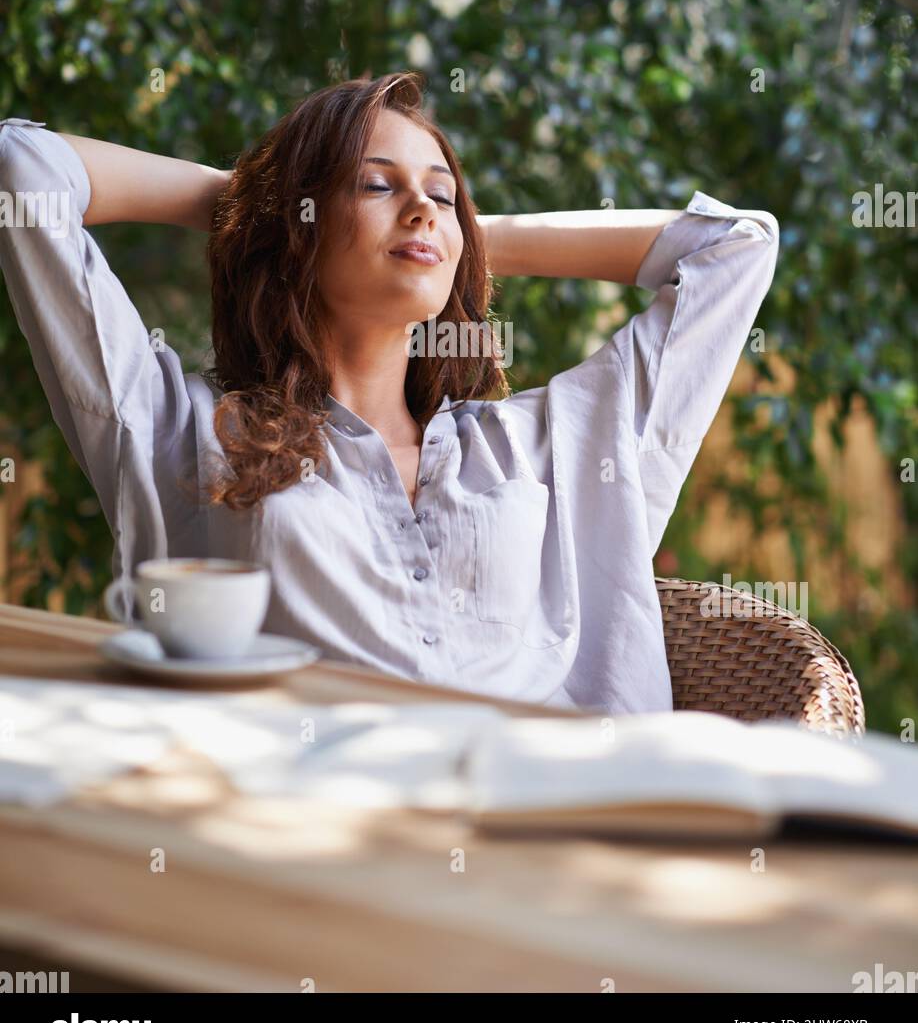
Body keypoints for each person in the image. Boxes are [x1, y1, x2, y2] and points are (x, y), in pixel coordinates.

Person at [0, 72, 779, 714]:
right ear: (299, 229)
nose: (421, 210)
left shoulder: (543, 443)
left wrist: (463, 237)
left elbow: (733, 250)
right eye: (375, 185)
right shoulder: (186, 431)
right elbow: (24, 169)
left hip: (556, 836)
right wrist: (251, 210)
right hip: (318, 846)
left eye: (441, 195)